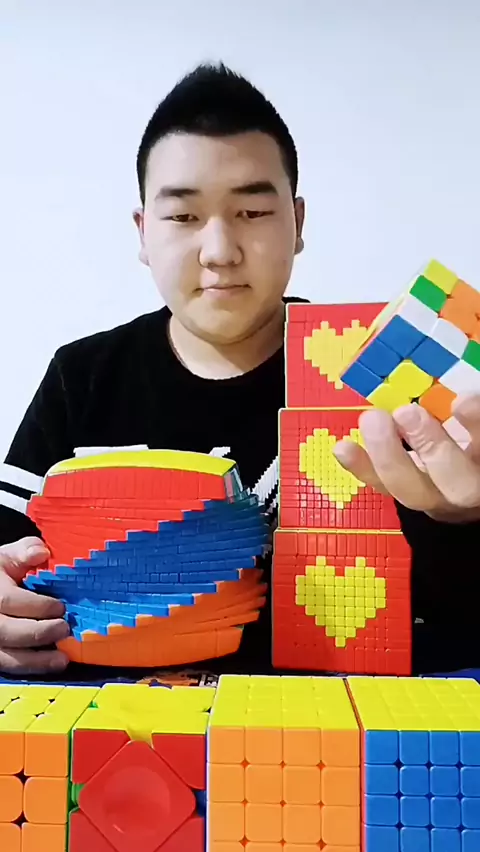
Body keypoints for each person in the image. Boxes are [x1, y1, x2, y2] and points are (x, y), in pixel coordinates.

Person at [0, 63, 479, 682]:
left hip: (334, 715)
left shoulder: (383, 377)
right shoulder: (83, 375)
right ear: (143, 233)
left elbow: (452, 616)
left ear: (297, 224)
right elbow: (9, 549)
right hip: (122, 721)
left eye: (252, 212)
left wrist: (463, 519)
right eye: (183, 217)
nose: (220, 251)